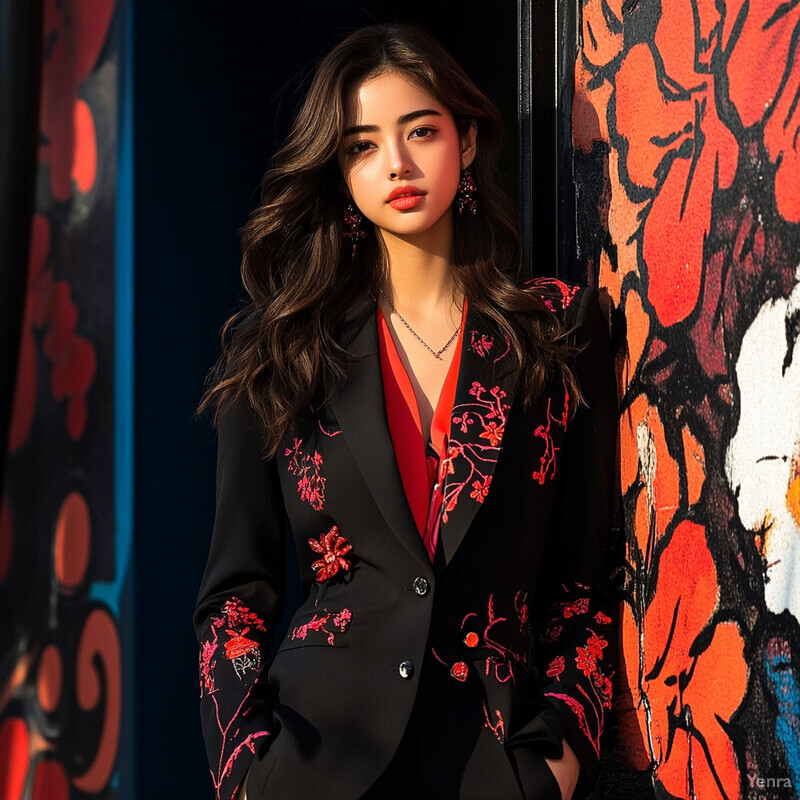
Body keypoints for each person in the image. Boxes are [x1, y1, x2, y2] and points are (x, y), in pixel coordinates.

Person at [194, 23, 616, 800]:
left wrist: (556, 762)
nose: (396, 163)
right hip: (316, 765)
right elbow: (233, 599)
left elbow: (580, 587)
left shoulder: (555, 331)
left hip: (495, 768)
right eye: (362, 145)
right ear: (341, 171)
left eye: (420, 130)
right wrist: (248, 772)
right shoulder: (283, 348)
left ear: (467, 137)